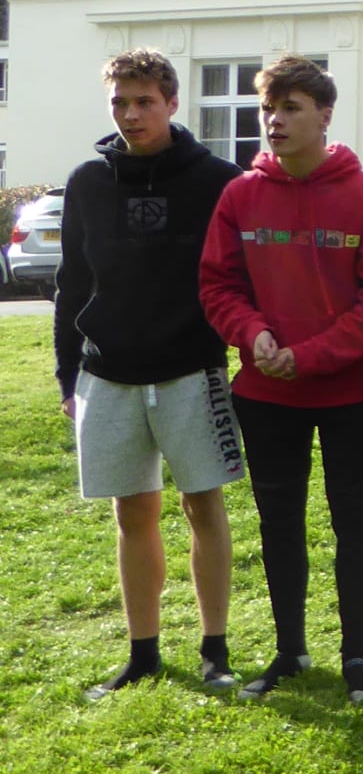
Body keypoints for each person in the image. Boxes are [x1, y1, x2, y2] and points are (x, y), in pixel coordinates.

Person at [199, 56, 363, 703]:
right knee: (278, 522)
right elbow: (218, 284)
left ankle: (356, 655)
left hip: (351, 393)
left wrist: (308, 355)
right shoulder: (240, 195)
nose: (275, 121)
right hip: (266, 393)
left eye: (290, 108)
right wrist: (252, 333)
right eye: (268, 109)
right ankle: (290, 650)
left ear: (325, 115)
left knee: (354, 522)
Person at [58, 50, 244, 699]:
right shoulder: (88, 180)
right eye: (120, 102)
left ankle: (215, 650)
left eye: (144, 101)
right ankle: (143, 653)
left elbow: (238, 277)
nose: (131, 114)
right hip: (108, 373)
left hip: (193, 371)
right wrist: (66, 376)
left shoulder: (217, 179)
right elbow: (72, 283)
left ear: (171, 103)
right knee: (132, 512)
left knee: (203, 505)